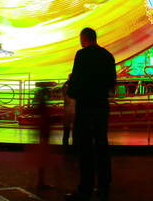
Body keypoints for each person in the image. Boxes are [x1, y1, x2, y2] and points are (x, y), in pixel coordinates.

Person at [66, 27, 116, 201]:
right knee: (102, 144)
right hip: (101, 105)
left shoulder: (82, 55)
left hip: (86, 106)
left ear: (83, 39)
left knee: (85, 147)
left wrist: (72, 87)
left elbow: (76, 84)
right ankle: (104, 185)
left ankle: (85, 187)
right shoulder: (108, 56)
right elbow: (112, 82)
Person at [62, 75, 75, 146]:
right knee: (73, 128)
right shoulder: (75, 86)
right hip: (72, 109)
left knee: (67, 128)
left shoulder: (66, 85)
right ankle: (74, 143)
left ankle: (65, 143)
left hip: (68, 110)